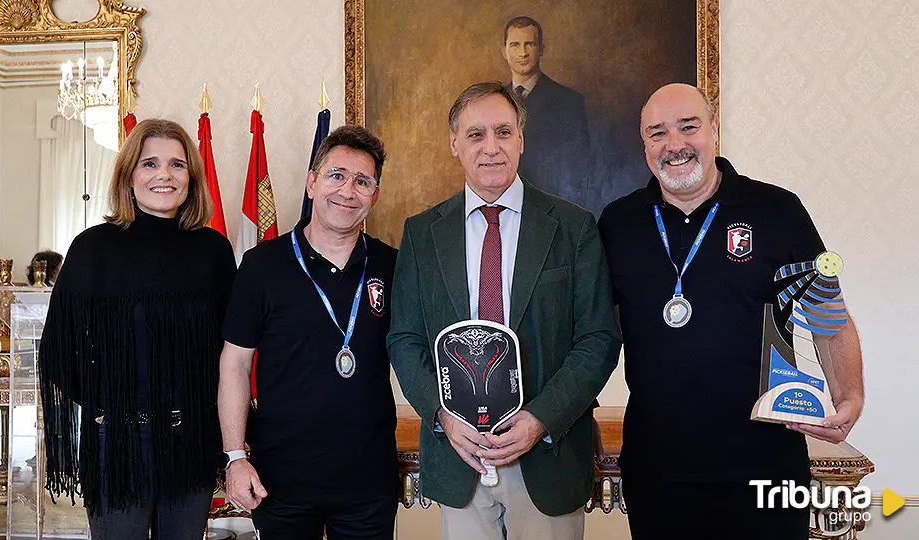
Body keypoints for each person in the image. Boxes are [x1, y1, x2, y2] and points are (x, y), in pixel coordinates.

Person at [597, 83, 865, 540]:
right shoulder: (618, 223)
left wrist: (850, 397)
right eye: (657, 133)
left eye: (689, 127)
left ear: (714, 130)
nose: (675, 144)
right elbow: (598, 333)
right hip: (658, 473)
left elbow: (827, 314)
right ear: (644, 145)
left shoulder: (777, 210)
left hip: (765, 470)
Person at [388, 81, 621, 540]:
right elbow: (404, 338)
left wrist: (540, 420)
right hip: (460, 460)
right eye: (475, 135)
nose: (490, 148)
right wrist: (441, 414)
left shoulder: (573, 227)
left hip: (547, 456)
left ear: (521, 139)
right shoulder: (421, 233)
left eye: (503, 132)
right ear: (454, 144)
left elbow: (598, 339)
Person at [38, 119, 237, 539]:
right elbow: (58, 350)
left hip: (192, 442)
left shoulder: (213, 250)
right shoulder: (93, 248)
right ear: (129, 175)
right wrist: (111, 402)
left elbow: (231, 351)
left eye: (177, 165)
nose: (164, 175)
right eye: (149, 164)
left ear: (191, 178)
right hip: (117, 445)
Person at [219, 125, 398, 539]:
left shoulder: (393, 266)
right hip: (279, 480)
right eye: (336, 175)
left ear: (374, 195)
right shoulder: (261, 265)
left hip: (368, 481)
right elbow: (235, 363)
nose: (347, 190)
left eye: (362, 181)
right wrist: (234, 456)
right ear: (312, 182)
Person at [501, 16, 591, 203]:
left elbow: (577, 171)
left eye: (530, 44)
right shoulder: (495, 101)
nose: (523, 52)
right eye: (515, 45)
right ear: (505, 51)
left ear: (541, 49)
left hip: (549, 208)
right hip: (501, 207)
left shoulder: (569, 102)